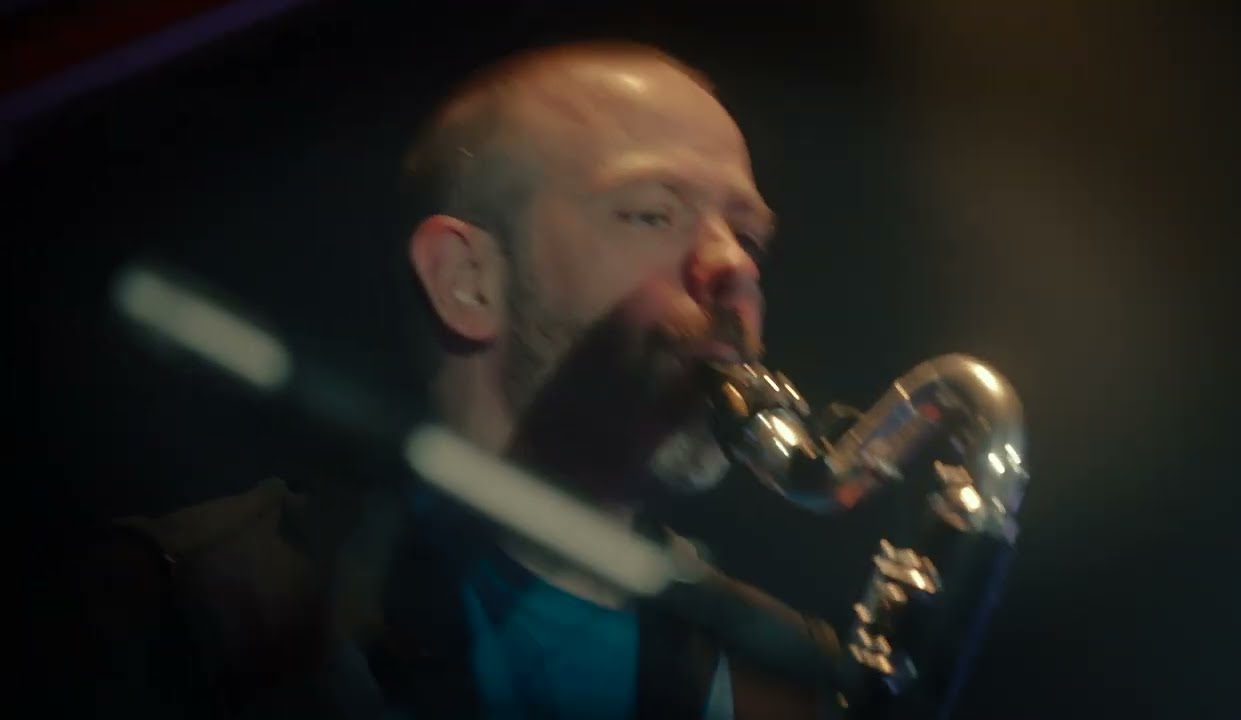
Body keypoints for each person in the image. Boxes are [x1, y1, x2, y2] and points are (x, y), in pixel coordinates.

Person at [68, 40, 838, 720]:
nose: (734, 267)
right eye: (652, 214)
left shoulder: (792, 673)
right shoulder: (187, 600)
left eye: (747, 235)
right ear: (467, 279)